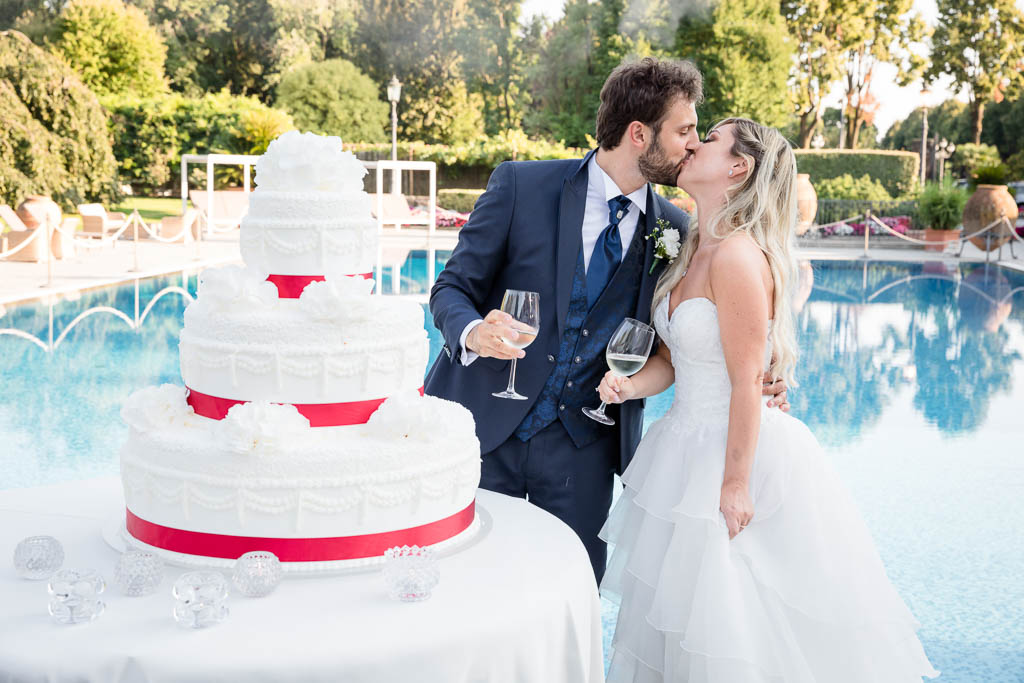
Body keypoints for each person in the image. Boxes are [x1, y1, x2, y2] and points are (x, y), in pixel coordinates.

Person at [596, 118, 939, 682]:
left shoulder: (736, 258)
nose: (693, 143)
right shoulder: (688, 248)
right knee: (677, 625)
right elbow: (673, 361)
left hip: (734, 457)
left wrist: (734, 484)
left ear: (738, 167)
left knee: (736, 624)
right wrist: (631, 384)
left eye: (709, 140)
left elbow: (746, 381)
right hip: (681, 448)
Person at [424, 58, 789, 583]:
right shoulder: (523, 186)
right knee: (464, 586)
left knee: (569, 595)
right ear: (639, 134)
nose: (692, 144)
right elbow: (451, 287)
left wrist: (769, 375)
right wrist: (473, 331)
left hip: (586, 450)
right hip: (485, 429)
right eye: (685, 131)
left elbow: (719, 325)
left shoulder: (681, 230)